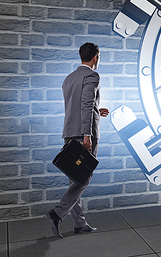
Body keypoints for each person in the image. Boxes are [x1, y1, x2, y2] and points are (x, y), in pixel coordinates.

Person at [46, 42, 109, 238]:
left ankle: (79, 223)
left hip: (69, 132)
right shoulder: (92, 75)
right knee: (84, 177)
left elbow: (80, 105)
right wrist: (87, 135)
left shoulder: (69, 78)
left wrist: (98, 111)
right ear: (96, 57)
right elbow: (86, 103)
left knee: (75, 177)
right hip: (84, 134)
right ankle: (57, 213)